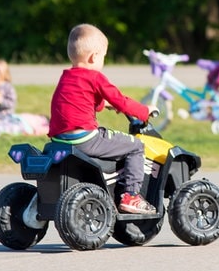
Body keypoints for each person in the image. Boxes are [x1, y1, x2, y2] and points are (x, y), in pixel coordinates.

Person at [48, 23, 157, 214]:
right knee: (135, 146)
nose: (103, 61)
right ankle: (131, 195)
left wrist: (103, 105)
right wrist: (144, 111)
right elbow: (121, 101)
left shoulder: (66, 77)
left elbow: (78, 101)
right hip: (85, 139)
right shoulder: (95, 77)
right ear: (94, 57)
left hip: (60, 139)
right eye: (104, 56)